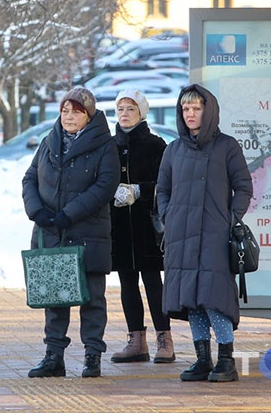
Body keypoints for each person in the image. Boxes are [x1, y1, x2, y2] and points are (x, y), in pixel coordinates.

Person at [156, 84, 253, 382]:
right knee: (192, 300)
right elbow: (163, 189)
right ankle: (202, 359)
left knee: (214, 299)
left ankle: (226, 360)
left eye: (196, 108)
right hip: (180, 236)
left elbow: (244, 187)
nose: (190, 114)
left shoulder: (227, 146)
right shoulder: (173, 150)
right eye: (186, 108)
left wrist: (230, 219)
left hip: (214, 236)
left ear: (208, 111)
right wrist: (168, 216)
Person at [22, 86, 120, 378]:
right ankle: (54, 356)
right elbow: (29, 178)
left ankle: (92, 355)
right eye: (65, 111)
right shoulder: (49, 141)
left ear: (88, 115)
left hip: (88, 233)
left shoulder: (104, 145)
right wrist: (37, 211)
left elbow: (105, 186)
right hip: (51, 231)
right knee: (54, 298)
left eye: (75, 112)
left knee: (92, 299)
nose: (68, 117)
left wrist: (70, 213)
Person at [108, 88, 174, 364]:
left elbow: (167, 183)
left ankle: (164, 338)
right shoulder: (108, 146)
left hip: (148, 226)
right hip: (119, 227)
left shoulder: (156, 145)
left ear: (141, 112)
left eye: (131, 109)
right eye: (120, 109)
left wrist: (140, 190)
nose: (124, 114)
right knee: (127, 282)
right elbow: (99, 180)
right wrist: (111, 191)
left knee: (152, 281)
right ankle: (136, 340)